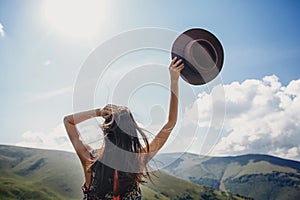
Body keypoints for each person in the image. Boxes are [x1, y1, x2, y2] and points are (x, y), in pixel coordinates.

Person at [64, 57, 184, 200]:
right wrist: (174, 80)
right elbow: (170, 123)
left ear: (106, 132)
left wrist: (98, 112)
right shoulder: (137, 162)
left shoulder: (91, 161)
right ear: (132, 133)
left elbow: (68, 121)